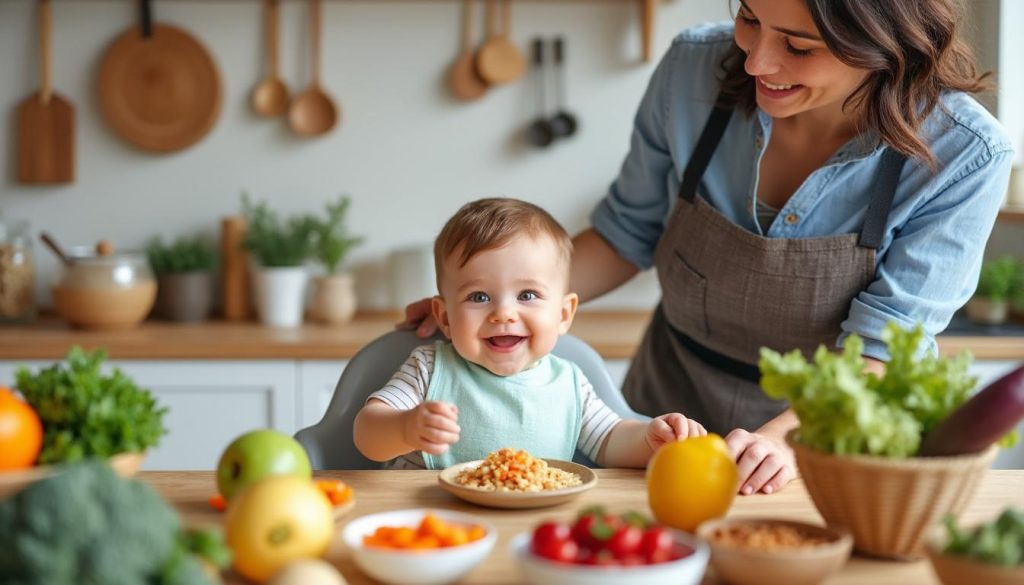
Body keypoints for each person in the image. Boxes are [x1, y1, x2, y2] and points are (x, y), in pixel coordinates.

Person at [400, 0, 1015, 493]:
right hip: (669, 404)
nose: (755, 64)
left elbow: (881, 351)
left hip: (827, 445)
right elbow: (624, 234)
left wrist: (781, 442)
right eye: (749, 19)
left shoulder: (964, 155)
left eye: (798, 46)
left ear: (884, 42)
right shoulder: (693, 70)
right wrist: (492, 299)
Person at [354, 198, 707, 470]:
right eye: (479, 297)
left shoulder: (569, 382)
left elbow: (611, 440)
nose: (504, 313)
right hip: (436, 526)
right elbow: (366, 433)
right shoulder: (429, 368)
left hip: (534, 528)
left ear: (563, 314)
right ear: (444, 318)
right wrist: (404, 428)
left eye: (527, 295)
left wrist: (651, 439)